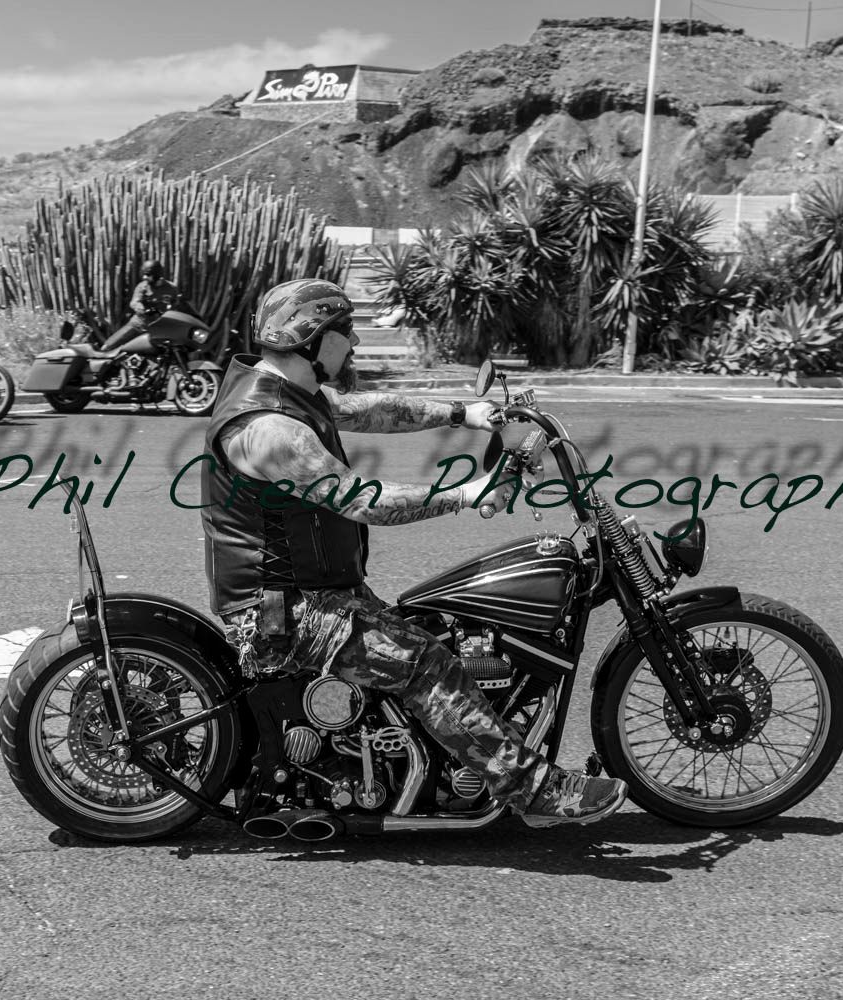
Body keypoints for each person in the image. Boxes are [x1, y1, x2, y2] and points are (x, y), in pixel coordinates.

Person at [203, 278, 628, 828]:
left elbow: (368, 408)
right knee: (426, 663)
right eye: (344, 331)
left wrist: (466, 413)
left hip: (314, 593)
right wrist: (464, 494)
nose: (353, 343)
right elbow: (364, 503)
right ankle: (535, 791)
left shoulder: (292, 392)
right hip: (287, 611)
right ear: (312, 337)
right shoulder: (269, 428)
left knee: (438, 625)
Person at [101, 259, 182, 352]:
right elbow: (134, 302)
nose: (144, 277)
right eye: (143, 274)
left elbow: (176, 305)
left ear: (156, 275)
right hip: (138, 325)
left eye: (148, 275)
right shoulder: (143, 286)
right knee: (108, 346)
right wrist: (141, 308)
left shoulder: (171, 288)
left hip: (157, 329)